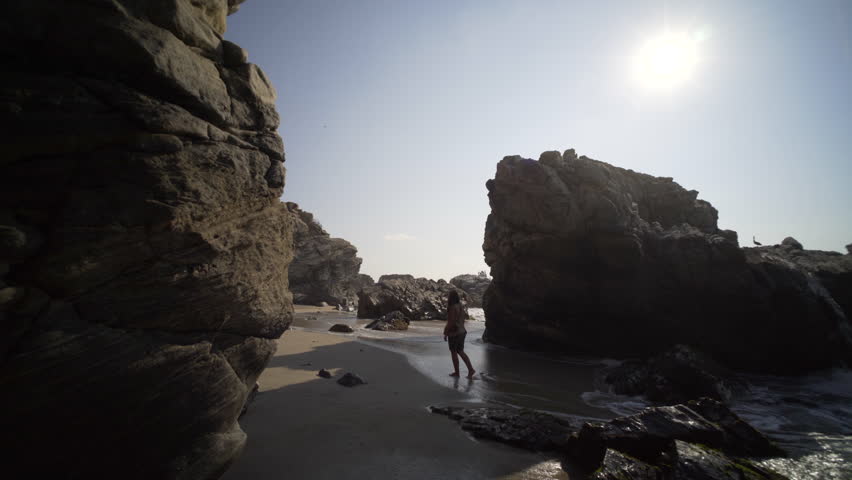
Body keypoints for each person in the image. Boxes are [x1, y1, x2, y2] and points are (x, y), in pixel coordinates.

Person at [443, 290, 475, 378]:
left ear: (450, 297)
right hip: (462, 331)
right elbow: (462, 319)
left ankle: (457, 372)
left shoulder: (452, 307)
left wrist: (446, 332)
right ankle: (471, 369)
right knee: (460, 351)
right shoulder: (460, 306)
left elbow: (451, 322)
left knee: (454, 352)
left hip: (454, 333)